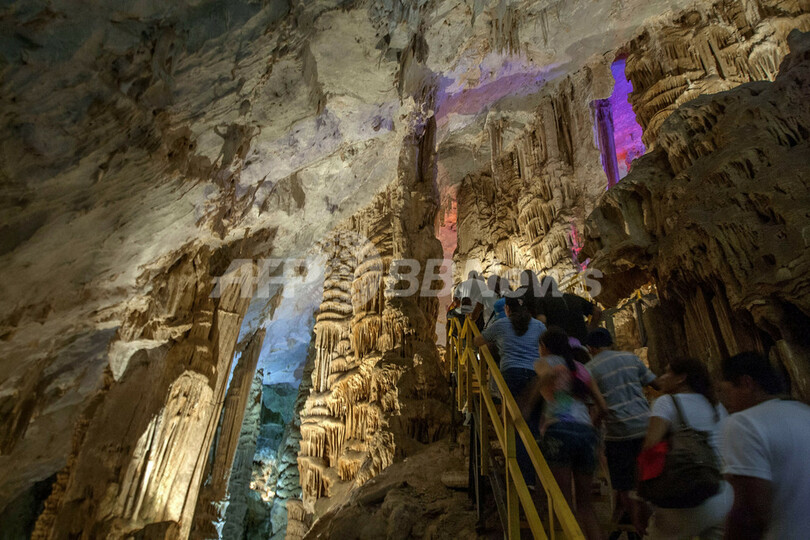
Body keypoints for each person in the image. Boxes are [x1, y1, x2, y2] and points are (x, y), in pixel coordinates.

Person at [720, 351, 810, 540]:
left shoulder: (744, 423)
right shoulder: (804, 413)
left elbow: (749, 513)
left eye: (727, 392)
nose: (726, 402)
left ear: (746, 383)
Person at [640, 358, 732, 540]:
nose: (662, 377)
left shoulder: (666, 403)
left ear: (681, 378)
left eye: (667, 372)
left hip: (688, 496)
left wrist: (641, 495)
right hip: (723, 494)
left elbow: (650, 448)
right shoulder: (716, 406)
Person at [534, 327, 609, 540]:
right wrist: (590, 427)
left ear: (545, 348)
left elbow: (547, 375)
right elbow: (603, 407)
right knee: (586, 507)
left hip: (559, 430)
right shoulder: (582, 369)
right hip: (586, 432)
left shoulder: (546, 363)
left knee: (564, 504)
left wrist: (527, 402)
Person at [585, 328, 658, 534]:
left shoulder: (590, 369)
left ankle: (639, 527)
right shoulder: (630, 358)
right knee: (647, 480)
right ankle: (651, 524)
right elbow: (656, 383)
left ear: (591, 348)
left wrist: (590, 429)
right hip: (646, 429)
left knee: (624, 485)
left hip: (619, 434)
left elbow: (598, 407)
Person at [475, 296, 546, 486]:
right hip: (535, 376)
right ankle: (542, 473)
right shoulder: (538, 325)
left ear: (507, 308)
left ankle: (525, 478)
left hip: (512, 375)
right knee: (534, 424)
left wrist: (495, 344)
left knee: (516, 424)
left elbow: (477, 340)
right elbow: (545, 347)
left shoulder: (501, 325)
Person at [536, 276, 602, 346]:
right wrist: (591, 327)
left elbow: (542, 321)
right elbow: (597, 311)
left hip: (559, 343)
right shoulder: (573, 298)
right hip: (581, 342)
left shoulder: (543, 301)